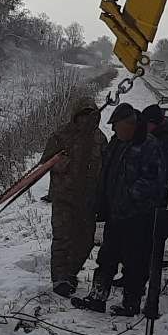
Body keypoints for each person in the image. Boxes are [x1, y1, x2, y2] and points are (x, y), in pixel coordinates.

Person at [79, 102, 166, 316]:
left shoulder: (149, 146)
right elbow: (107, 175)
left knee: (134, 263)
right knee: (106, 258)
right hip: (115, 215)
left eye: (117, 126)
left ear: (130, 124)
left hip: (138, 216)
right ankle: (97, 298)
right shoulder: (116, 143)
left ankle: (131, 304)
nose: (114, 130)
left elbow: (156, 182)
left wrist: (129, 197)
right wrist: (102, 201)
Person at [40, 95, 105, 297]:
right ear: (75, 116)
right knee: (62, 238)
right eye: (82, 115)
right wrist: (58, 163)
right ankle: (60, 279)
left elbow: (105, 169)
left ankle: (70, 273)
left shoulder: (100, 139)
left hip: (88, 200)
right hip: (64, 197)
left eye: (90, 116)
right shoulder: (62, 136)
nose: (86, 120)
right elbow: (45, 162)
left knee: (85, 241)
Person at [141, 103, 168, 195]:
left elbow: (167, 177)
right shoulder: (154, 137)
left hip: (155, 199)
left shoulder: (166, 143)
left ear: (153, 123)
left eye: (145, 123)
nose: (143, 127)